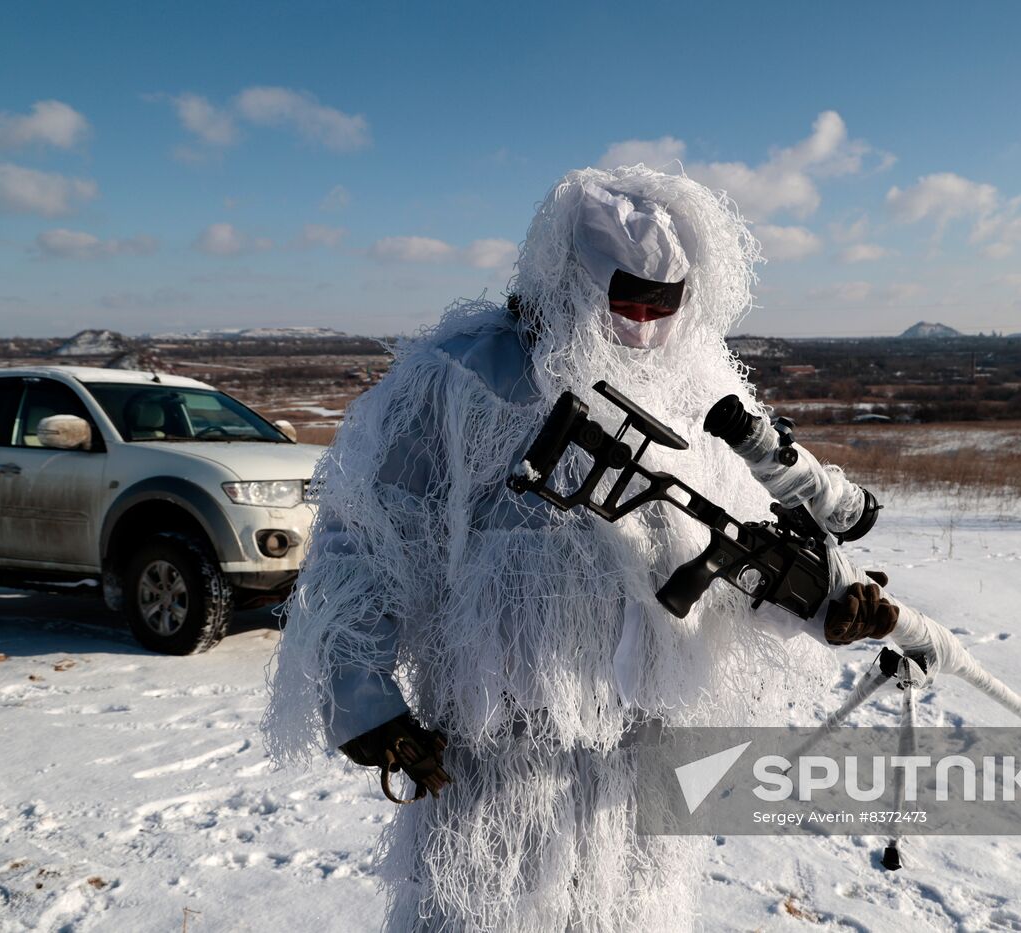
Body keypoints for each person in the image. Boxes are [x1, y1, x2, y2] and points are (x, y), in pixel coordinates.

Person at [263, 166, 898, 931]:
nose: (639, 324)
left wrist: (828, 603)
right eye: (622, 297)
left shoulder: (697, 388)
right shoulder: (465, 377)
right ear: (571, 277)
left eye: (661, 305)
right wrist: (364, 696)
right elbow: (368, 535)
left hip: (643, 769)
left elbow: (744, 545)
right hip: (499, 755)